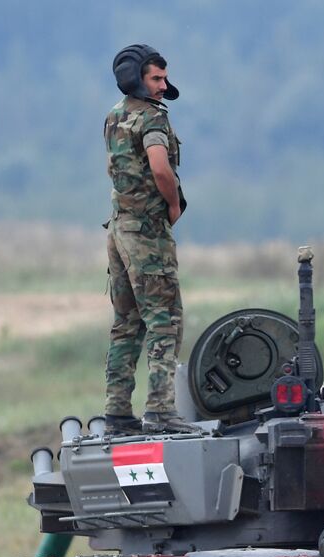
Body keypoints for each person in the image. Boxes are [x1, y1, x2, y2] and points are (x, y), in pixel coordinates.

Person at [103, 44, 198, 436]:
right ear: (136, 78)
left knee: (126, 324)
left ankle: (117, 413)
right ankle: (160, 409)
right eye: (155, 78)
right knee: (165, 321)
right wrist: (174, 203)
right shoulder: (151, 120)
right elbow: (160, 168)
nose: (163, 86)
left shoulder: (114, 116)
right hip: (146, 232)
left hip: (118, 228)